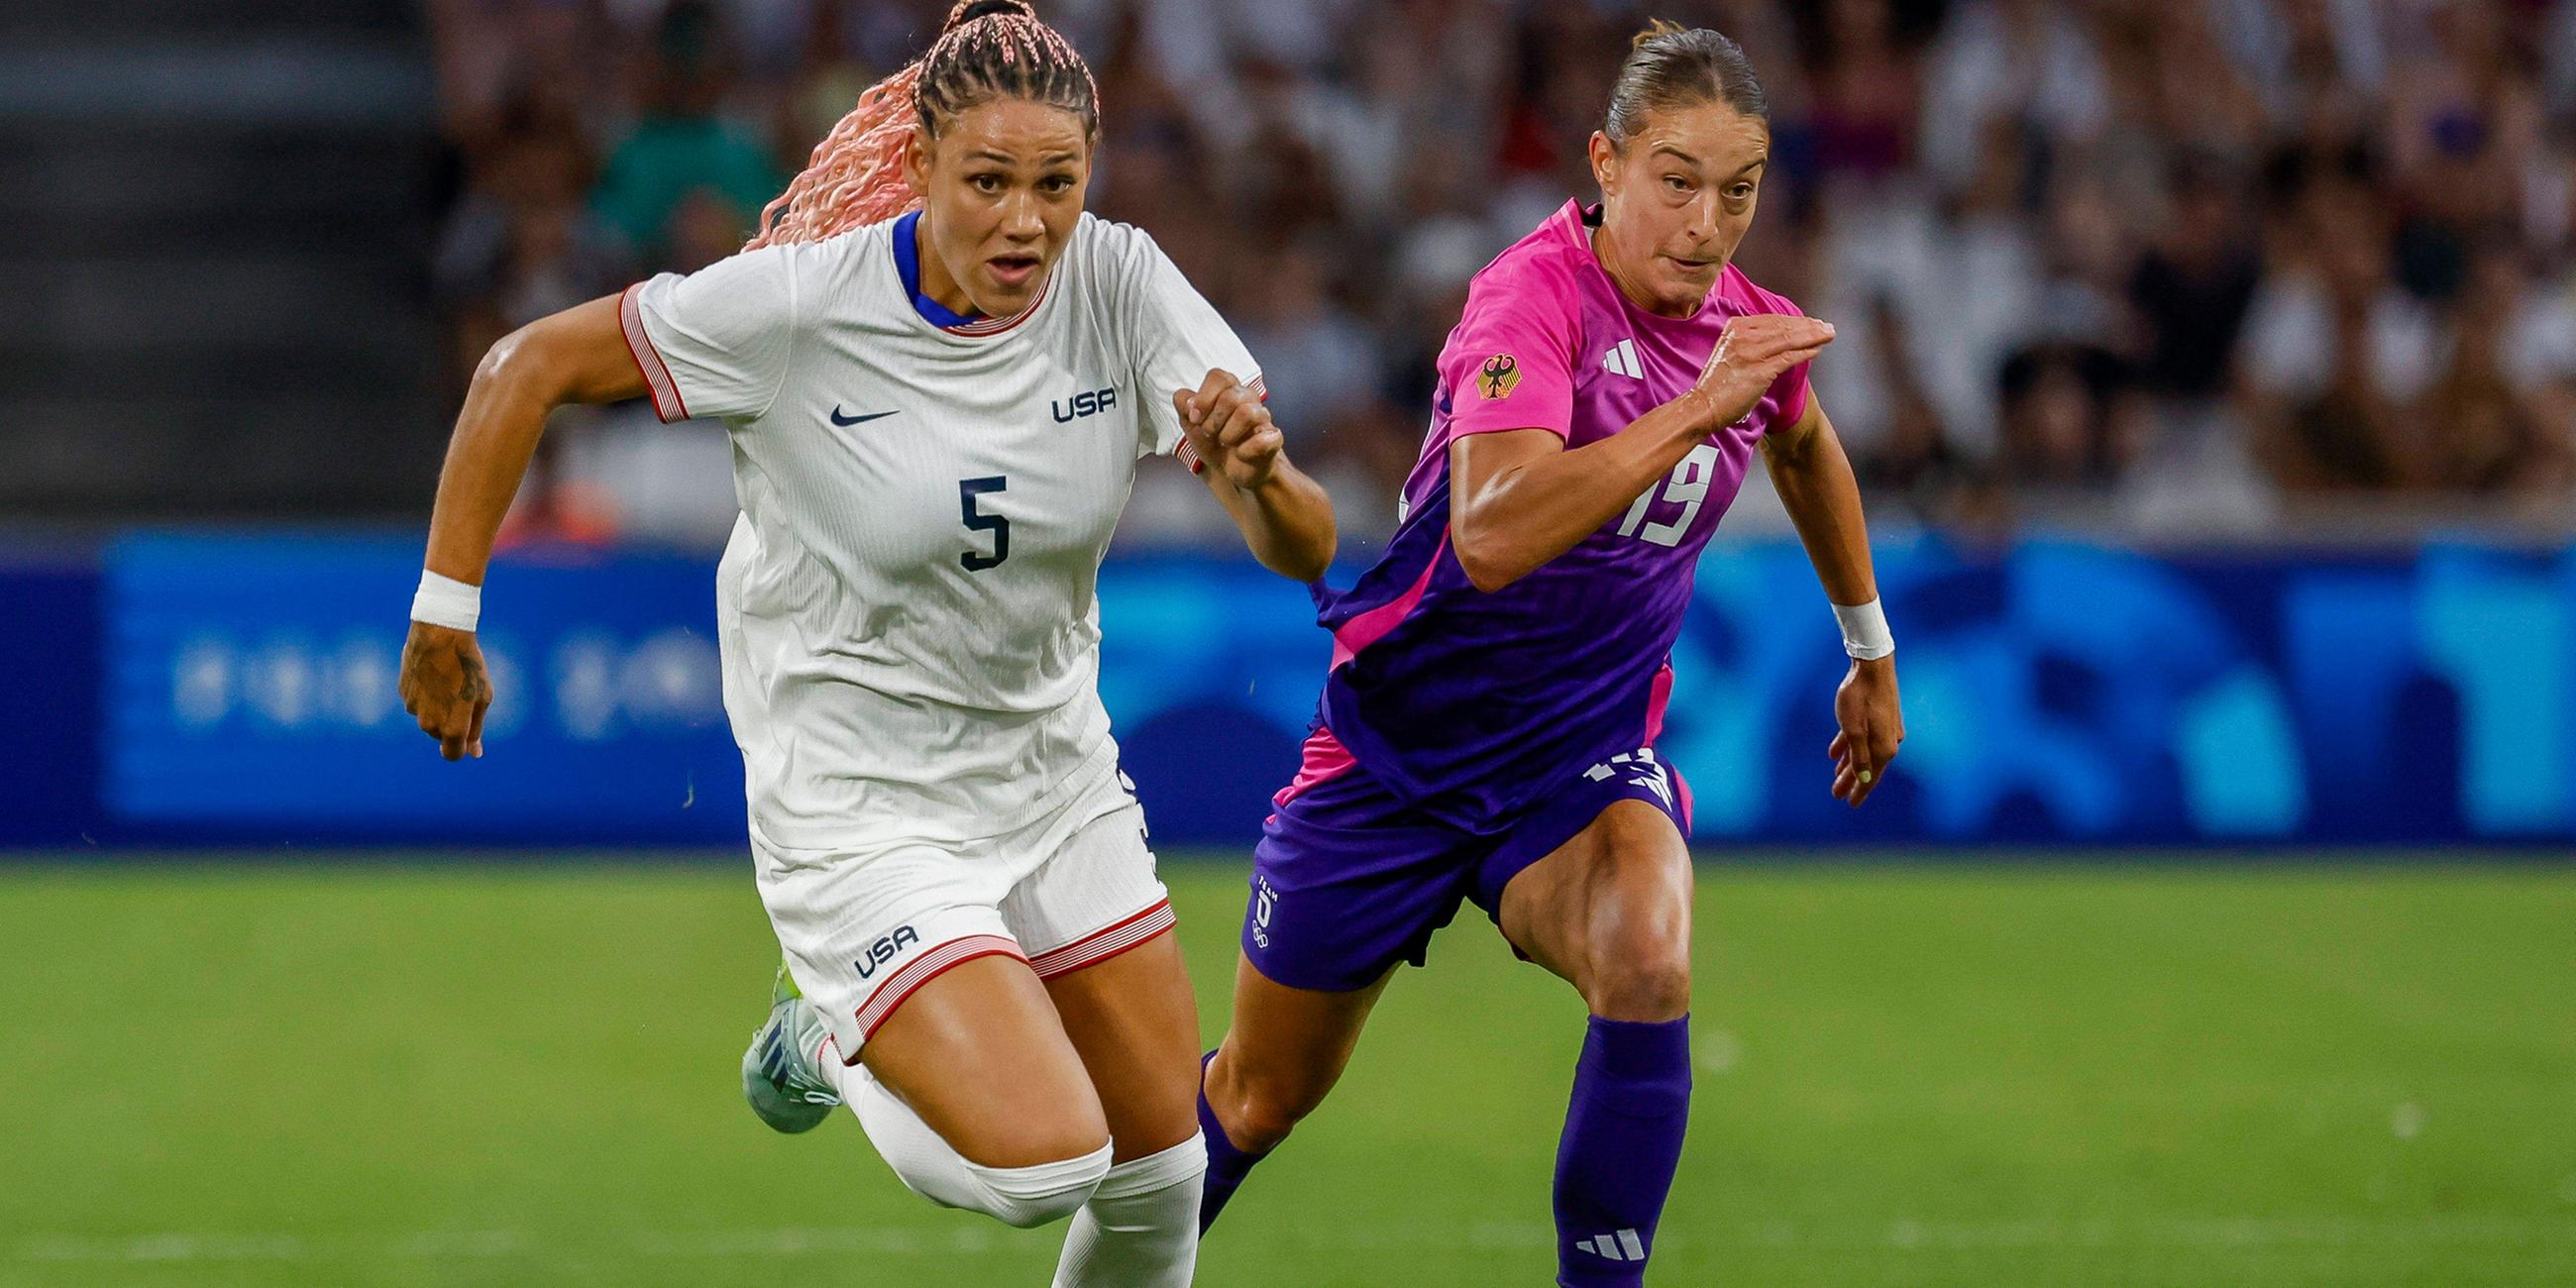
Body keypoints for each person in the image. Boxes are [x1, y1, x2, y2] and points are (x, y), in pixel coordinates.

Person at [396, 4, 1335, 1284]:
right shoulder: (795, 312)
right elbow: (521, 368)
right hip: (860, 808)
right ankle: (828, 1034)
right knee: (1042, 1165)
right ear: (923, 161)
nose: (1025, 220)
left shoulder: (1120, 284)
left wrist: (1261, 477)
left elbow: (1305, 544)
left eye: (1056, 185)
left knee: (1164, 1173)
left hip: (1053, 779)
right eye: (988, 182)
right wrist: (446, 611)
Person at [1193, 22, 1903, 1287]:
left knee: (1647, 944)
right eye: (1674, 181)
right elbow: (1494, 528)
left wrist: (1868, 645)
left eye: (1736, 191)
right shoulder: (1528, 298)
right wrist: (1699, 403)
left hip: (1571, 769)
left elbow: (1801, 446)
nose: (1704, 220)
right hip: (1394, 756)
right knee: (1255, 1098)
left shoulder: (1750, 331)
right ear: (1606, 161)